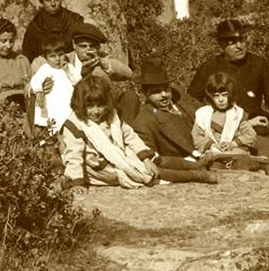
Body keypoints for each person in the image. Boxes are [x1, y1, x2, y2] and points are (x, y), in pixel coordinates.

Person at [59, 75, 217, 192]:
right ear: (80, 105)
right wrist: (77, 183)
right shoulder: (75, 125)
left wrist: (146, 157)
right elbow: (73, 156)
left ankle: (196, 164)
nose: (95, 111)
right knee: (151, 173)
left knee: (155, 159)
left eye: (100, 106)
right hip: (103, 168)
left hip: (120, 154)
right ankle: (198, 176)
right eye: (90, 106)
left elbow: (130, 136)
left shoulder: (110, 116)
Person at [188, 18, 269, 162]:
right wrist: (212, 122)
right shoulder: (209, 67)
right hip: (218, 132)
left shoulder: (259, 64)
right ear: (221, 44)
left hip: (254, 130)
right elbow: (191, 101)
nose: (239, 46)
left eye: (242, 40)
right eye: (232, 43)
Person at [131, 58, 209, 171]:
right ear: (145, 93)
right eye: (156, 91)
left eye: (166, 88)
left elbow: (209, 114)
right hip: (191, 166)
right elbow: (156, 160)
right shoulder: (143, 121)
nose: (164, 94)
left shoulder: (180, 99)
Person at [192, 72, 269, 173]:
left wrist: (233, 144)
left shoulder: (237, 113)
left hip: (235, 154)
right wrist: (212, 145)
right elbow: (196, 136)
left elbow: (250, 135)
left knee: (244, 167)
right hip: (214, 154)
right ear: (211, 97)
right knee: (214, 169)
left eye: (224, 95)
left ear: (230, 95)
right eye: (216, 96)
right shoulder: (203, 114)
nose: (221, 99)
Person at [26, 36, 80, 139]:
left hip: (66, 104)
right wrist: (39, 93)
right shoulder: (45, 69)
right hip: (52, 104)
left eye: (60, 55)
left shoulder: (68, 67)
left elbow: (78, 81)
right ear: (45, 57)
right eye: (52, 56)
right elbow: (35, 81)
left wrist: (68, 70)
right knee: (51, 126)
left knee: (67, 125)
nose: (57, 59)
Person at [20, 0, 85, 61]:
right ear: (42, 2)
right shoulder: (35, 26)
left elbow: (83, 47)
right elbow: (28, 56)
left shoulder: (75, 20)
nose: (53, 3)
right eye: (48, 0)